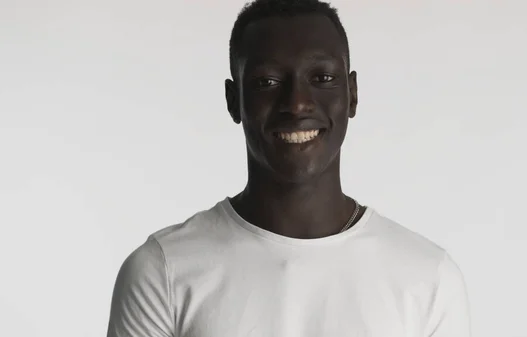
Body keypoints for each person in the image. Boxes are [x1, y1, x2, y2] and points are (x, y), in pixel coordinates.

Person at [106, 0, 471, 336]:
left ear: (352, 93)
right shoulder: (163, 271)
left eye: (322, 78)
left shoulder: (428, 279)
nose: (296, 104)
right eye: (268, 82)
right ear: (234, 102)